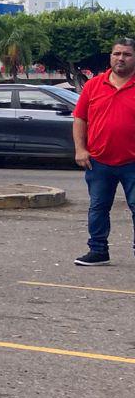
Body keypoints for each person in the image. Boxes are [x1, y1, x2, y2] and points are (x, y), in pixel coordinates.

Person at [72, 38, 135, 266]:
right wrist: (80, 149)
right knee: (98, 207)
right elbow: (80, 119)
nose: (121, 58)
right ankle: (98, 251)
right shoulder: (93, 85)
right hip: (99, 161)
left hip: (132, 162)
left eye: (127, 54)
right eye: (117, 53)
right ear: (111, 57)